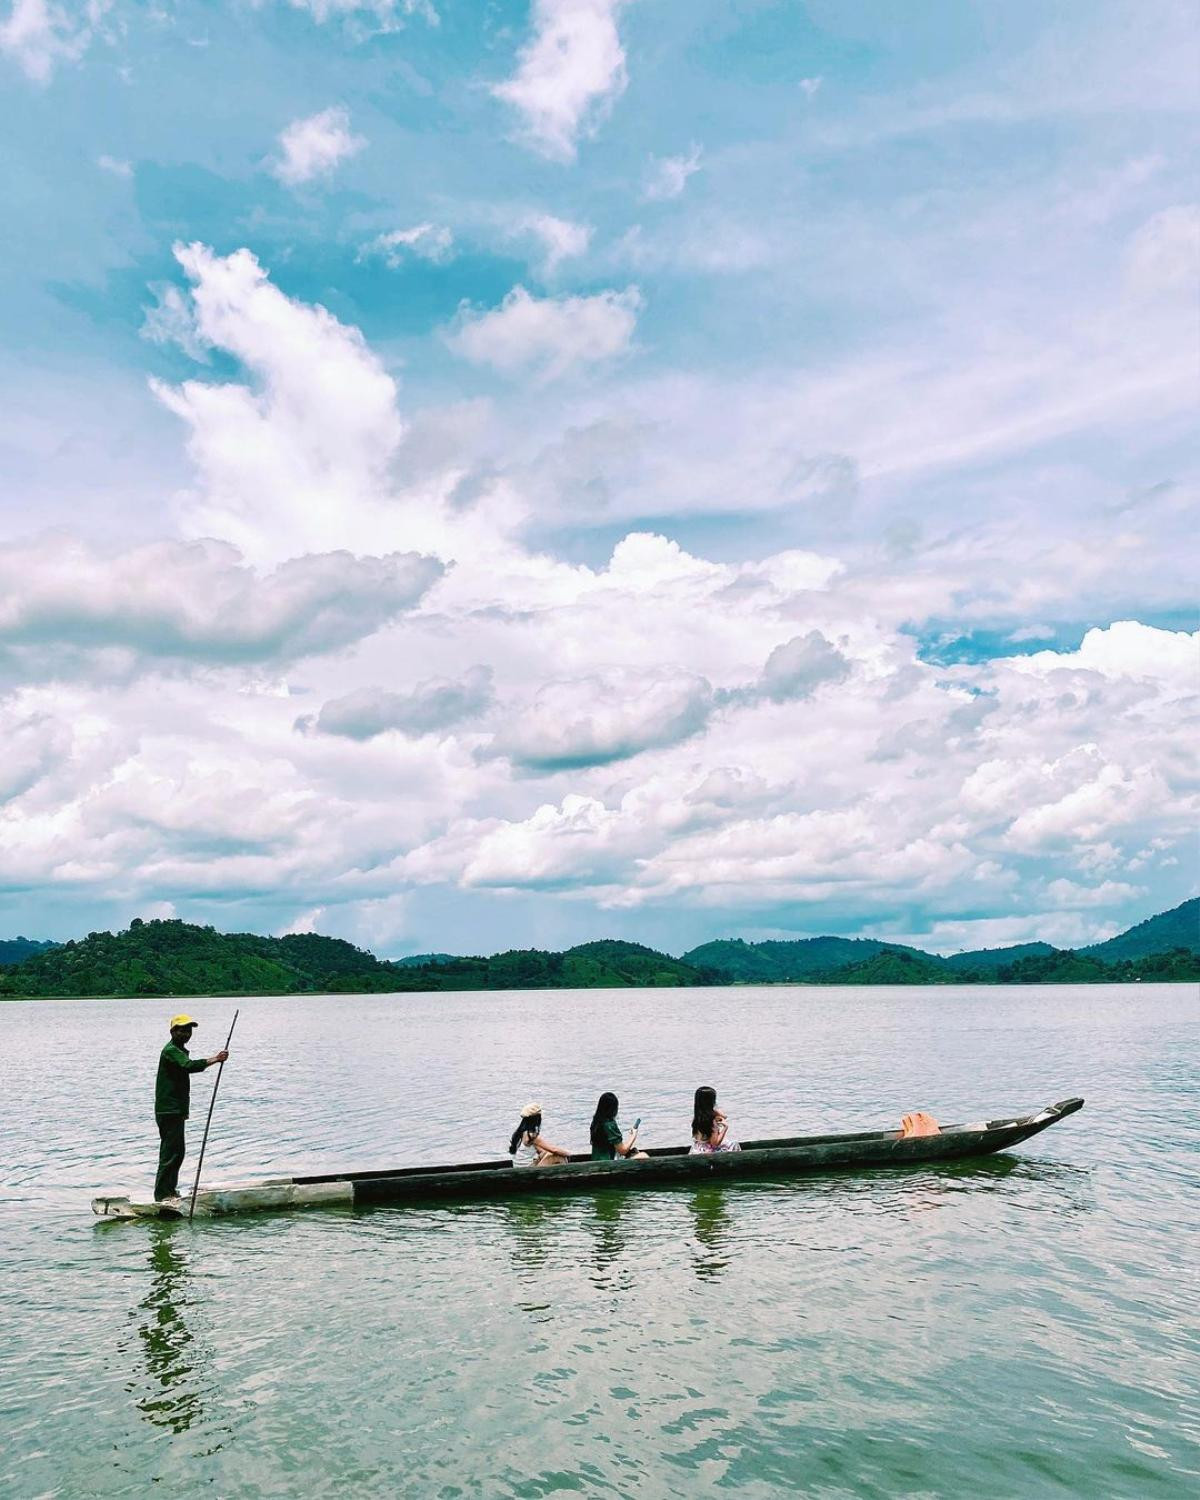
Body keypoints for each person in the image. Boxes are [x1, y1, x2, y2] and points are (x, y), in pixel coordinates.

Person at [154, 1014, 229, 1204]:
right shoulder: (170, 1050)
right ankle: (163, 1195)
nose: (186, 1033)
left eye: (189, 1030)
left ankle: (170, 1190)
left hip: (176, 1109)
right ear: (172, 1031)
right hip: (168, 1110)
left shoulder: (178, 1050)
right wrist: (216, 1059)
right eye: (182, 1029)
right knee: (171, 1153)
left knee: (177, 1152)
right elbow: (188, 1066)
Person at [508, 1102, 572, 1167]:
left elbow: (541, 1151)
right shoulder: (532, 1135)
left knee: (551, 1154)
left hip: (518, 1167)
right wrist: (569, 1153)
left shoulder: (521, 1132)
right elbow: (554, 1149)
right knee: (558, 1156)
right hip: (527, 1169)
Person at [589, 1092, 647, 1161]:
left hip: (596, 1160)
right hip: (607, 1164)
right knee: (643, 1156)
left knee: (634, 1152)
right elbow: (623, 1151)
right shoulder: (609, 1124)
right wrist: (633, 1135)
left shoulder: (596, 1121)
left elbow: (617, 1146)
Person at [689, 1085, 740, 1155]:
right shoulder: (711, 1122)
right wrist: (725, 1128)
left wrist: (715, 1111)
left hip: (697, 1149)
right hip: (709, 1152)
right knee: (734, 1144)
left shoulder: (697, 1118)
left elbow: (724, 1116)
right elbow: (715, 1143)